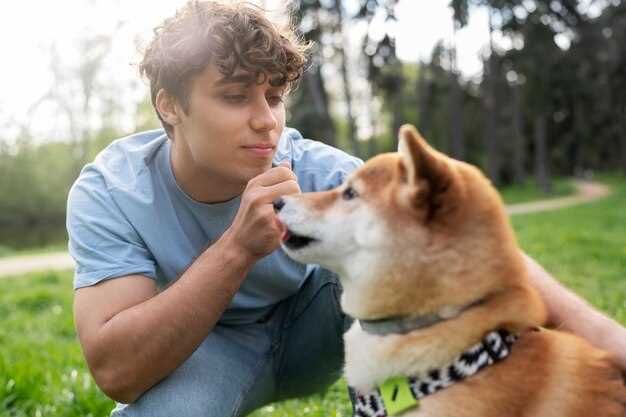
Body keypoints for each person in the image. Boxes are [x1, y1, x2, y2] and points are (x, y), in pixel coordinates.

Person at [66, 2, 626, 417]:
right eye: (236, 97)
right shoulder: (111, 192)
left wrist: (607, 341)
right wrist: (236, 248)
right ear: (170, 106)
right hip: (206, 354)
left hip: (323, 333)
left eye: (275, 96)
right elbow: (116, 371)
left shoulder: (322, 171)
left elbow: (472, 254)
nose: (266, 120)